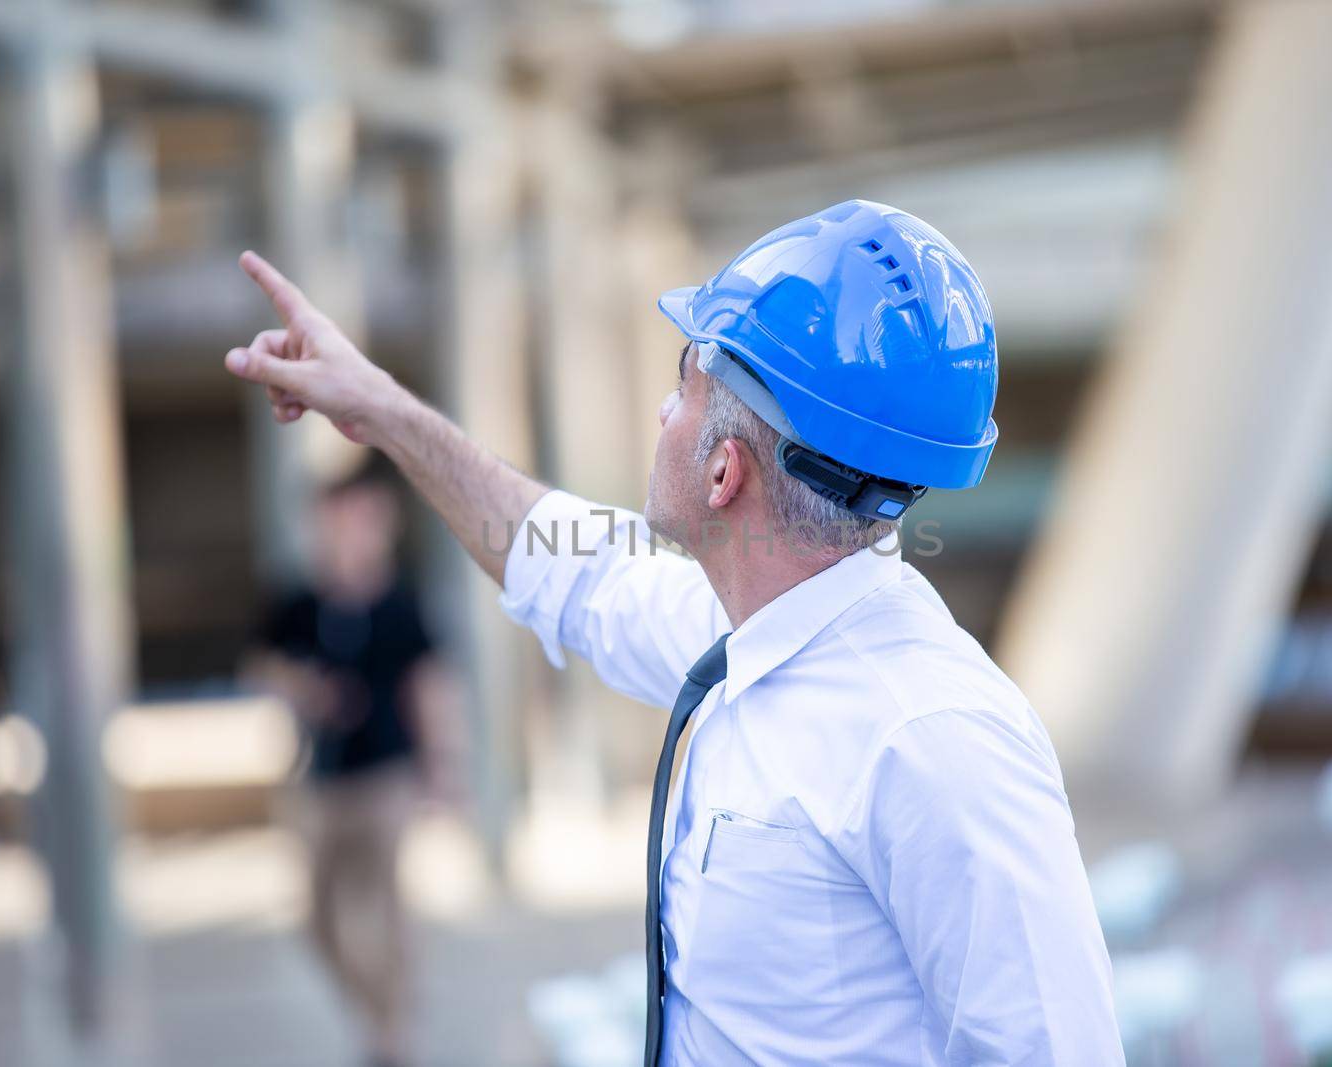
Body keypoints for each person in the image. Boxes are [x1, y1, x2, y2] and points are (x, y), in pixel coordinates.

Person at [225, 200, 1123, 1066]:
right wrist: (383, 410)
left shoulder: (933, 739)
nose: (662, 410)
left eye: (684, 381)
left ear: (724, 468)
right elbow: (570, 566)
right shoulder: (740, 634)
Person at [243, 455, 453, 1067]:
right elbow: (259, 668)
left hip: (387, 775)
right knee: (317, 919)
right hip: (322, 780)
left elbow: (428, 686)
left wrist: (442, 769)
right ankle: (379, 1011)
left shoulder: (399, 602)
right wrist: (303, 690)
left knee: (386, 908)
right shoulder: (299, 601)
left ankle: (393, 1034)